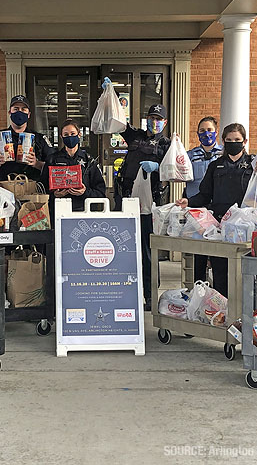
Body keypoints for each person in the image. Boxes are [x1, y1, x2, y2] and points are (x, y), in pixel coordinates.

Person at [176, 123, 257, 297]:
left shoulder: (253, 164)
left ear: (245, 141)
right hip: (221, 227)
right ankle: (221, 313)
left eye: (237, 140)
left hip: (246, 229)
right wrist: (188, 201)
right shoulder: (215, 166)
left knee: (244, 274)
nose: (233, 143)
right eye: (229, 140)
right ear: (223, 142)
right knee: (220, 273)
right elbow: (204, 195)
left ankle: (245, 316)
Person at [114, 97, 171, 310]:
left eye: (158, 119)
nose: (154, 121)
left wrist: (156, 167)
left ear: (164, 122)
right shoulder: (135, 136)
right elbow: (118, 122)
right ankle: (128, 291)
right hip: (127, 198)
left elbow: (174, 169)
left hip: (149, 203)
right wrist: (112, 95)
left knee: (147, 250)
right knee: (125, 246)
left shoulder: (166, 144)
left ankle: (149, 294)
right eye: (151, 117)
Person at [39, 118, 106, 220]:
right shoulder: (52, 160)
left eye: (72, 133)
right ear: (61, 136)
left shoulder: (89, 161)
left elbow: (101, 193)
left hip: (83, 214)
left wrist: (85, 192)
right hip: (58, 214)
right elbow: (42, 189)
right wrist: (54, 194)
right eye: (66, 135)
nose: (69, 137)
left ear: (79, 135)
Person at [183, 116, 223, 284]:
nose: (206, 134)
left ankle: (218, 297)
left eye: (209, 130)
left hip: (218, 211)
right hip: (197, 210)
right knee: (198, 254)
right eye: (202, 131)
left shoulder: (223, 155)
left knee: (217, 255)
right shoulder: (190, 156)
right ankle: (199, 293)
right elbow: (178, 173)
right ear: (197, 134)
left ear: (216, 132)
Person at [0, 94, 52, 185]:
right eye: (16, 109)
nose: (20, 112)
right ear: (9, 113)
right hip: (3, 190)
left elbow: (53, 166)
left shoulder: (40, 138)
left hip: (32, 190)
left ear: (29, 114)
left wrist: (36, 163)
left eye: (23, 109)